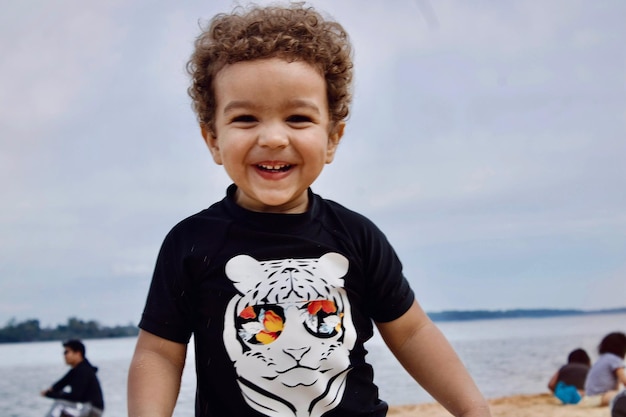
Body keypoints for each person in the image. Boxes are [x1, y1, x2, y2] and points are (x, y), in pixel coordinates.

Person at [127, 4, 492, 417]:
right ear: (213, 139)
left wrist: (472, 410)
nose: (273, 137)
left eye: (298, 118)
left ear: (332, 138)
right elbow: (160, 352)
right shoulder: (190, 242)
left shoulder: (356, 236)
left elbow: (411, 333)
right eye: (246, 118)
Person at [41, 339, 104, 416]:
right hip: (84, 407)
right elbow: (62, 383)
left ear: (78, 353)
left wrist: (53, 394)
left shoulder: (83, 371)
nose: (64, 355)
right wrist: (51, 390)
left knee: (59, 405)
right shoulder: (77, 369)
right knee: (61, 407)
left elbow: (76, 396)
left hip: (91, 409)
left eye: (66, 352)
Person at [584, 332, 626, 406]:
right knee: (620, 396)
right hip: (601, 397)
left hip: (588, 398)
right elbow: (624, 380)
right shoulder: (614, 359)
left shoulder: (602, 359)